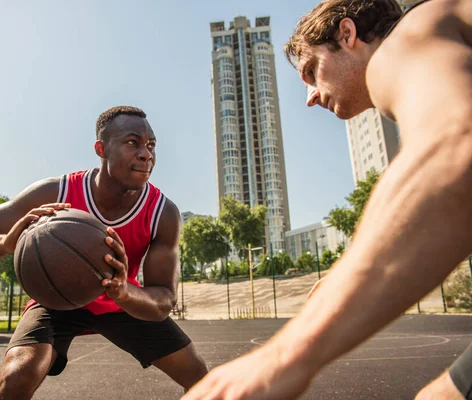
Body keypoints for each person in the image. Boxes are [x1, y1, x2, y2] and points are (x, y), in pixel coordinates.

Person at [183, 0, 472, 399]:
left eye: (310, 71)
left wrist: (284, 357)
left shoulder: (405, 39)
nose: (311, 96)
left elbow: (454, 155)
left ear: (348, 35)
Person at [0, 105, 208, 399]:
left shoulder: (162, 213)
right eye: (132, 142)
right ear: (101, 149)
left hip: (121, 301)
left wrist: (123, 292)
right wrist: (6, 243)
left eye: (151, 145)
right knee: (15, 380)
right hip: (55, 302)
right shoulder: (55, 193)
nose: (146, 154)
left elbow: (164, 299)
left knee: (202, 379)